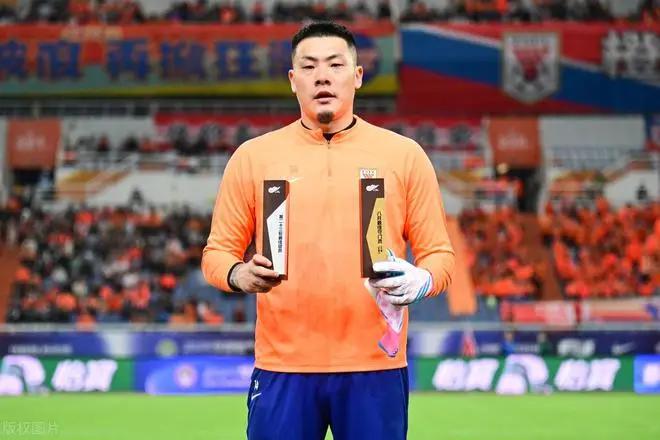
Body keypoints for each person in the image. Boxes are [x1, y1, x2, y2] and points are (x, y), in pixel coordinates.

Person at [202, 21, 455, 440]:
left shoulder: (404, 156)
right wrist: (237, 273)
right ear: (293, 80)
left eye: (336, 65)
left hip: (375, 368)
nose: (322, 76)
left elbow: (441, 256)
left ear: (357, 76)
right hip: (283, 367)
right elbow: (216, 254)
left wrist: (422, 280)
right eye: (309, 66)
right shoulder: (253, 158)